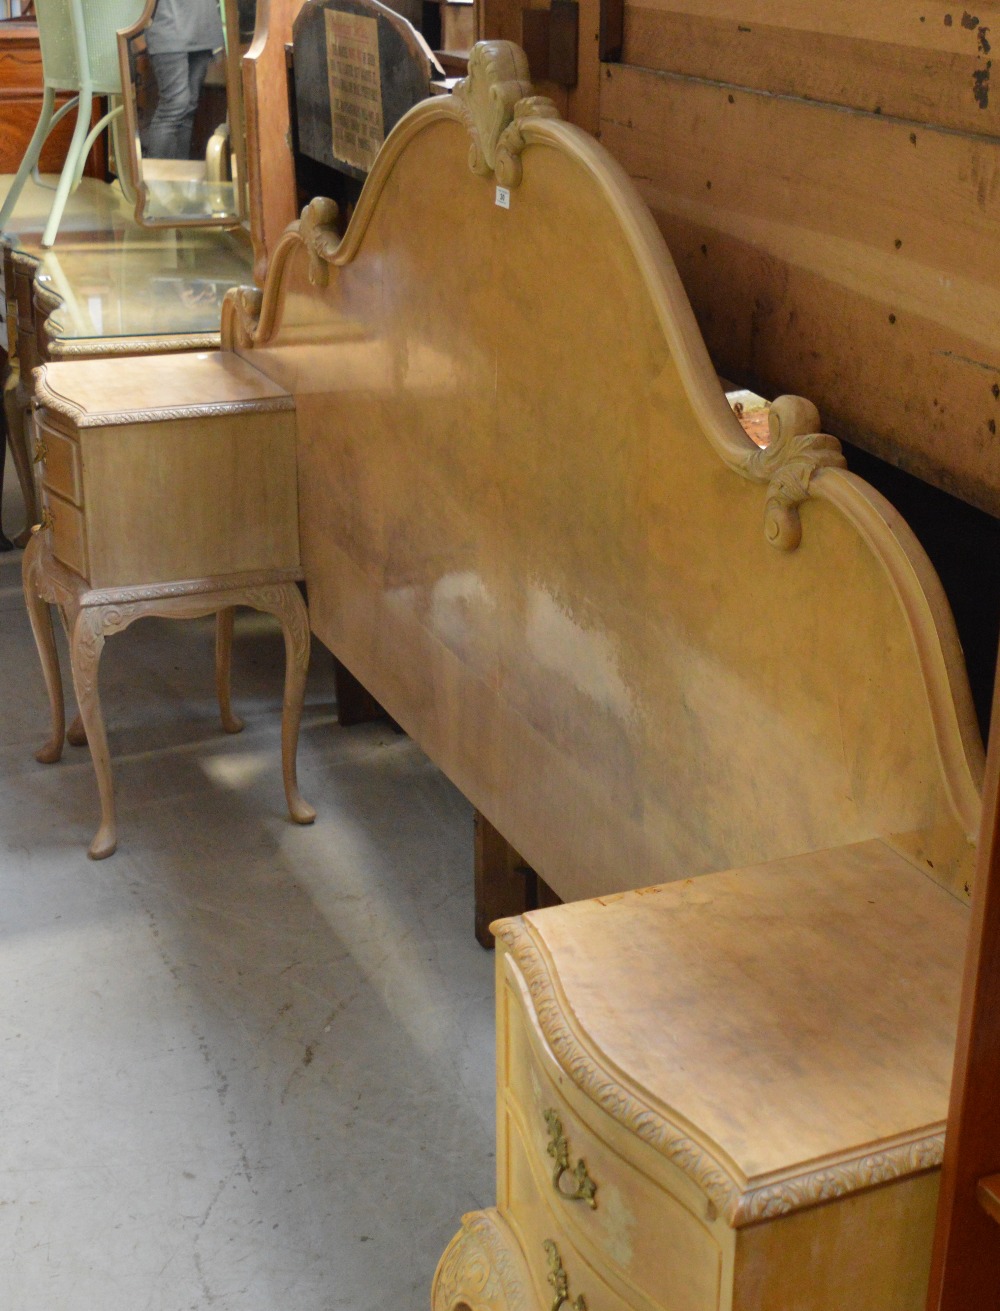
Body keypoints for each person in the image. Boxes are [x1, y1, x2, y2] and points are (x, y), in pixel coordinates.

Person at [144, 0, 224, 160]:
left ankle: (180, 176)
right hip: (168, 23)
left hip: (203, 24)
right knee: (174, 105)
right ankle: (157, 181)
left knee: (189, 107)